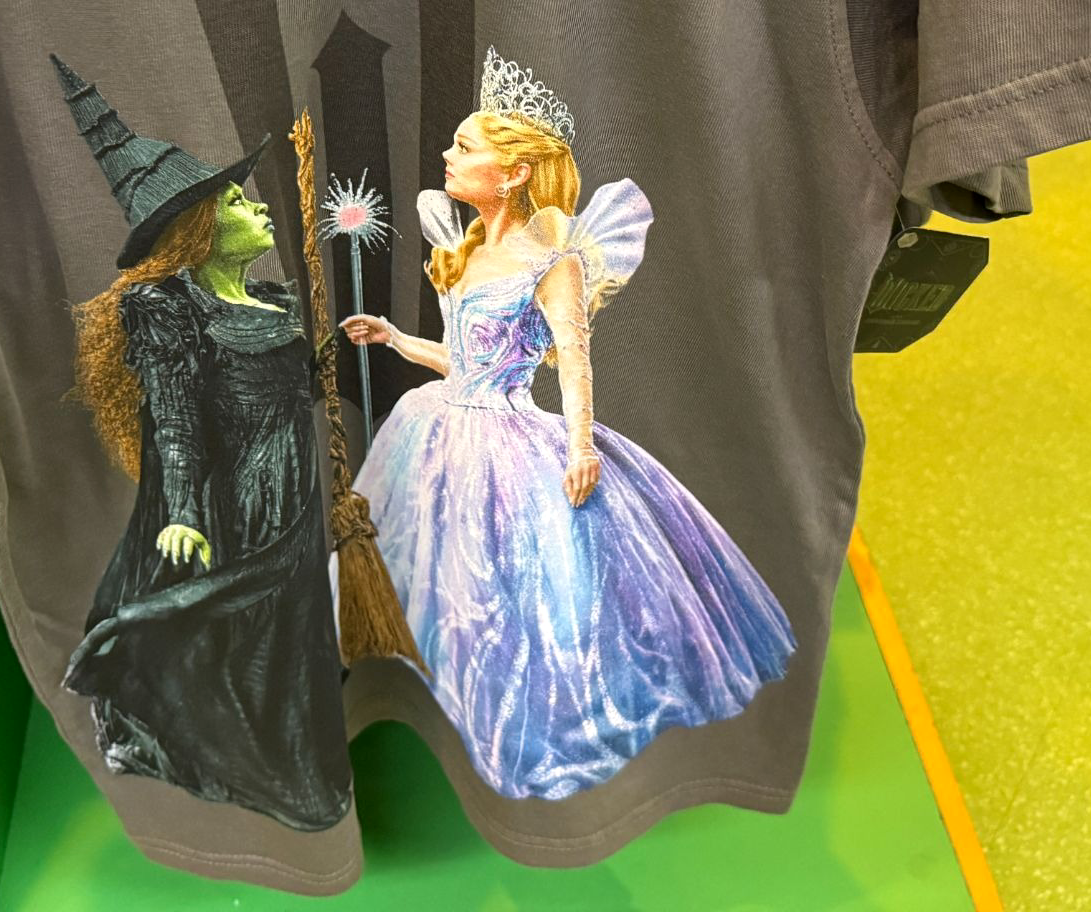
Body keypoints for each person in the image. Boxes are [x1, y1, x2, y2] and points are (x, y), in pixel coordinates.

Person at [341, 47, 797, 801]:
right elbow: (464, 363)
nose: (448, 156)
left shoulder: (553, 261)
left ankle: (510, 734)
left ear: (514, 172)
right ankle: (424, 708)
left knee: (516, 593)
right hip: (439, 429)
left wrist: (582, 447)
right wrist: (394, 339)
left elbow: (573, 364)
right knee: (435, 583)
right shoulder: (466, 251)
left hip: (506, 441)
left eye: (464, 147)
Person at [49, 54, 351, 833]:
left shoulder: (274, 300)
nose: (261, 208)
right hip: (241, 509)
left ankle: (306, 769)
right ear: (201, 231)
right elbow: (176, 418)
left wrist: (331, 350)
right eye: (239, 204)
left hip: (296, 500)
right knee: (244, 646)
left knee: (292, 639)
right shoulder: (168, 310)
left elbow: (297, 393)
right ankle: (275, 780)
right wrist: (183, 512)